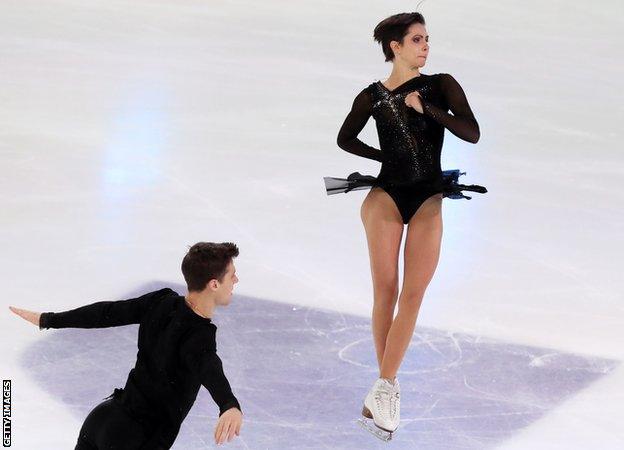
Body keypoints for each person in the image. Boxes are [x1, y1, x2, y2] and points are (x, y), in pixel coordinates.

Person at [328, 12, 486, 437]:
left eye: (427, 39)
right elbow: (345, 138)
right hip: (385, 196)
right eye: (417, 40)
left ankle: (382, 386)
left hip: (428, 196)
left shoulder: (441, 85)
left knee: (413, 294)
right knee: (387, 290)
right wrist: (384, 160)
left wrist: (428, 109)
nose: (425, 47)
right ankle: (387, 387)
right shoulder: (372, 96)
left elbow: (472, 133)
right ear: (395, 47)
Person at [9, 242, 243, 449]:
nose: (235, 280)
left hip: (104, 419)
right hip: (137, 439)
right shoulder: (199, 334)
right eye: (231, 275)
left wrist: (48, 319)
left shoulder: (161, 301)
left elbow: (106, 313)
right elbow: (209, 367)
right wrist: (228, 404)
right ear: (214, 284)